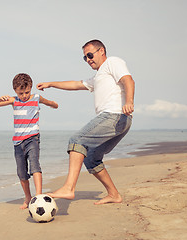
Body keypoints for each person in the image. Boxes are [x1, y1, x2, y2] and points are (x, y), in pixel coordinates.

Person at [37, 39, 135, 205]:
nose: (88, 59)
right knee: (91, 159)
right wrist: (51, 84)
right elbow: (76, 84)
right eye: (85, 58)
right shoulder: (99, 76)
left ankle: (69, 187)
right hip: (118, 121)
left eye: (90, 55)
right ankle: (114, 194)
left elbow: (128, 80)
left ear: (101, 51)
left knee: (76, 140)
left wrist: (129, 101)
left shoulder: (113, 62)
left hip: (115, 115)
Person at [0, 73, 59, 209]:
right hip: (18, 142)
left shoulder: (36, 98)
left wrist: (53, 104)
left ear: (30, 87)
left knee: (35, 165)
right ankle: (28, 197)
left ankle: (39, 196)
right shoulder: (13, 100)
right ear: (15, 91)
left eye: (27, 92)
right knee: (21, 172)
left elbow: (49, 102)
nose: (24, 95)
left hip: (33, 138)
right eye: (21, 92)